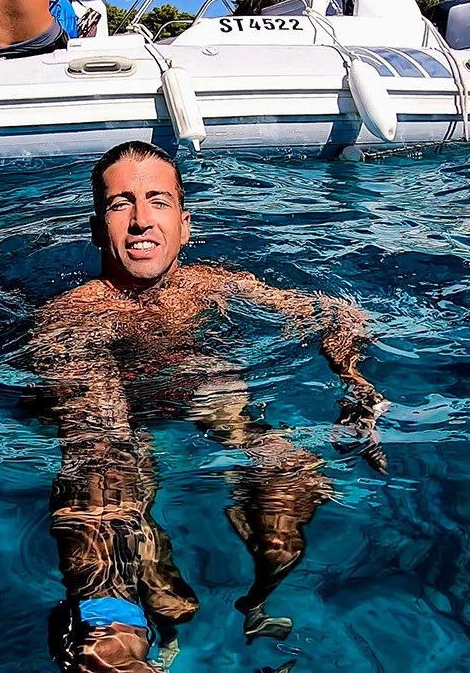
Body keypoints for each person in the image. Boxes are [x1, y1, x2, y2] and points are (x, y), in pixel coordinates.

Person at [28, 141, 387, 672]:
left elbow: (336, 314)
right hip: (117, 421)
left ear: (185, 225)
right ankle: (112, 631)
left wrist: (357, 388)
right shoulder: (75, 316)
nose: (141, 220)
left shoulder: (212, 286)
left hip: (201, 391)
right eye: (121, 204)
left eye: (158, 201)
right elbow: (94, 435)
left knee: (293, 472)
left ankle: (256, 601)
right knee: (105, 475)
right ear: (97, 228)